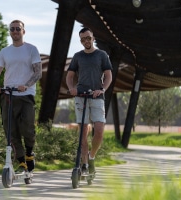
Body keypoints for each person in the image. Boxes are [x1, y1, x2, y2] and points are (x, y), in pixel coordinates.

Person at [0, 20, 42, 174]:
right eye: (12, 29)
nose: (15, 31)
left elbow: (38, 72)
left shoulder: (31, 49)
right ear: (10, 32)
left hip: (26, 95)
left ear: (23, 31)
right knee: (10, 131)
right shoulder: (4, 52)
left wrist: (26, 85)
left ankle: (29, 153)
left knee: (27, 127)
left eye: (18, 29)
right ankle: (21, 162)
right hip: (8, 95)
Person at [66, 27, 112, 175]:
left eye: (88, 38)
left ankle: (91, 157)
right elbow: (69, 76)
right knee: (83, 133)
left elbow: (108, 76)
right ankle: (84, 164)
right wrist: (72, 88)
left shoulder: (102, 55)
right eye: (83, 39)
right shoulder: (77, 56)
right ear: (80, 41)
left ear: (93, 38)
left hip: (97, 96)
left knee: (99, 131)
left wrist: (102, 89)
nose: (86, 41)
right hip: (81, 96)